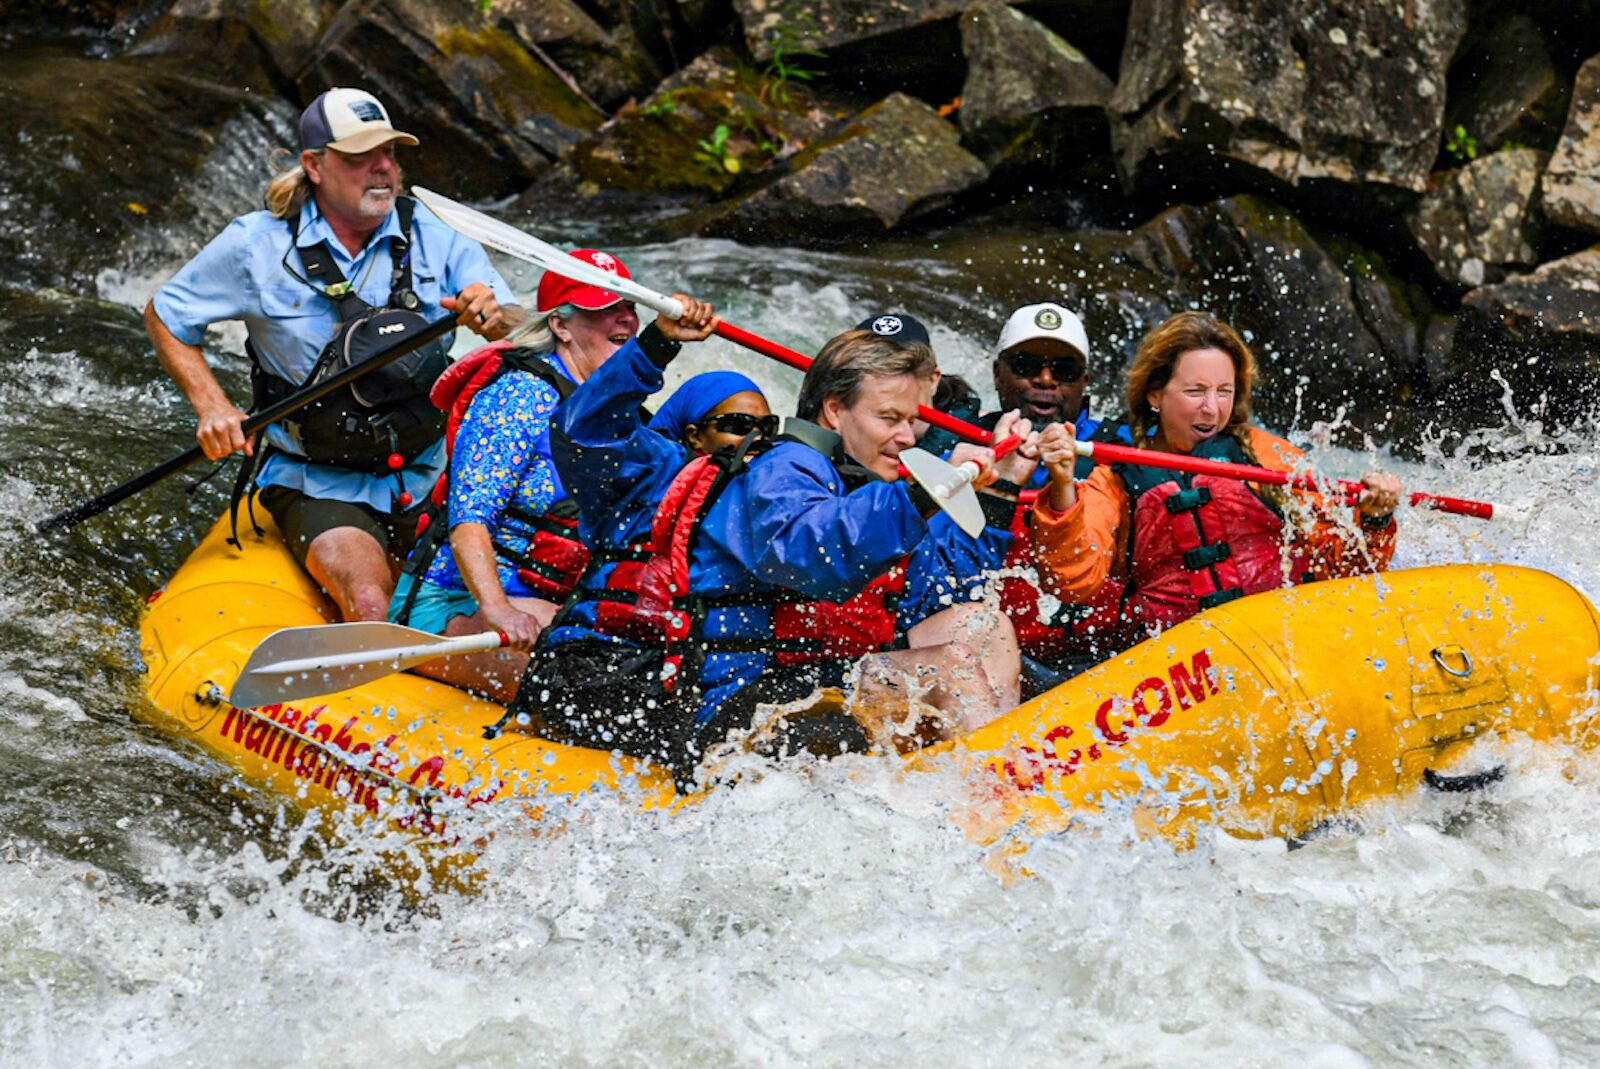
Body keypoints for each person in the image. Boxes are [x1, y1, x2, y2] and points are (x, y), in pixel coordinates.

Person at [507, 321, 1038, 786]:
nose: (907, 436)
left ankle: (975, 796)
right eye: (889, 418)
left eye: (910, 419)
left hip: (785, 687)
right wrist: (924, 493)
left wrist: (1001, 488)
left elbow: (937, 593)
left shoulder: (861, 486)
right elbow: (812, 549)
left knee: (974, 633)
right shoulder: (783, 469)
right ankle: (992, 817)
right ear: (834, 410)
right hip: (717, 706)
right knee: (955, 670)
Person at [144, 87, 520, 623]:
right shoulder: (255, 247)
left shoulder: (438, 235)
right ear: (314, 165)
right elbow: (166, 315)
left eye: (389, 153)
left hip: (433, 472)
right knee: (371, 605)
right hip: (317, 479)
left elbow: (523, 330)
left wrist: (492, 315)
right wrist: (213, 406)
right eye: (360, 157)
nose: (382, 168)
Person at [1032, 310, 1402, 650]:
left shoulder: (1265, 455)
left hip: (1282, 638)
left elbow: (1347, 570)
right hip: (1181, 662)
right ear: (1155, 394)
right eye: (1195, 391)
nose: (1212, 408)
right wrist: (1063, 486)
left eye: (1224, 391)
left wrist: (1375, 519)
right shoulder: (1116, 477)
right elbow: (1072, 582)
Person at [387, 250, 648, 703]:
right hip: (457, 603)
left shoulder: (621, 414)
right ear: (561, 325)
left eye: (628, 307)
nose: (623, 319)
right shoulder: (519, 395)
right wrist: (497, 609)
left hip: (553, 600)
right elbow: (468, 518)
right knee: (587, 683)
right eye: (604, 310)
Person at [648, 371, 776, 454]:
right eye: (739, 424)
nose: (758, 437)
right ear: (695, 436)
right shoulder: (657, 473)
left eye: (767, 425)